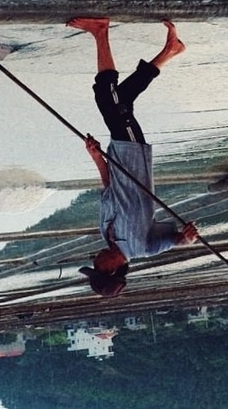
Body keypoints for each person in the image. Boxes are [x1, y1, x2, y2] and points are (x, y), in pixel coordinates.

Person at [68, 17, 199, 297]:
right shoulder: (144, 247)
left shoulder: (107, 233)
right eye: (96, 266)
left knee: (122, 99)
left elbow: (109, 188)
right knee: (107, 97)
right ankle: (100, 31)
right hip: (134, 156)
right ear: (111, 269)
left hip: (117, 156)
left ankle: (170, 51)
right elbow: (179, 241)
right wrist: (187, 239)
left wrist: (95, 156)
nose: (94, 260)